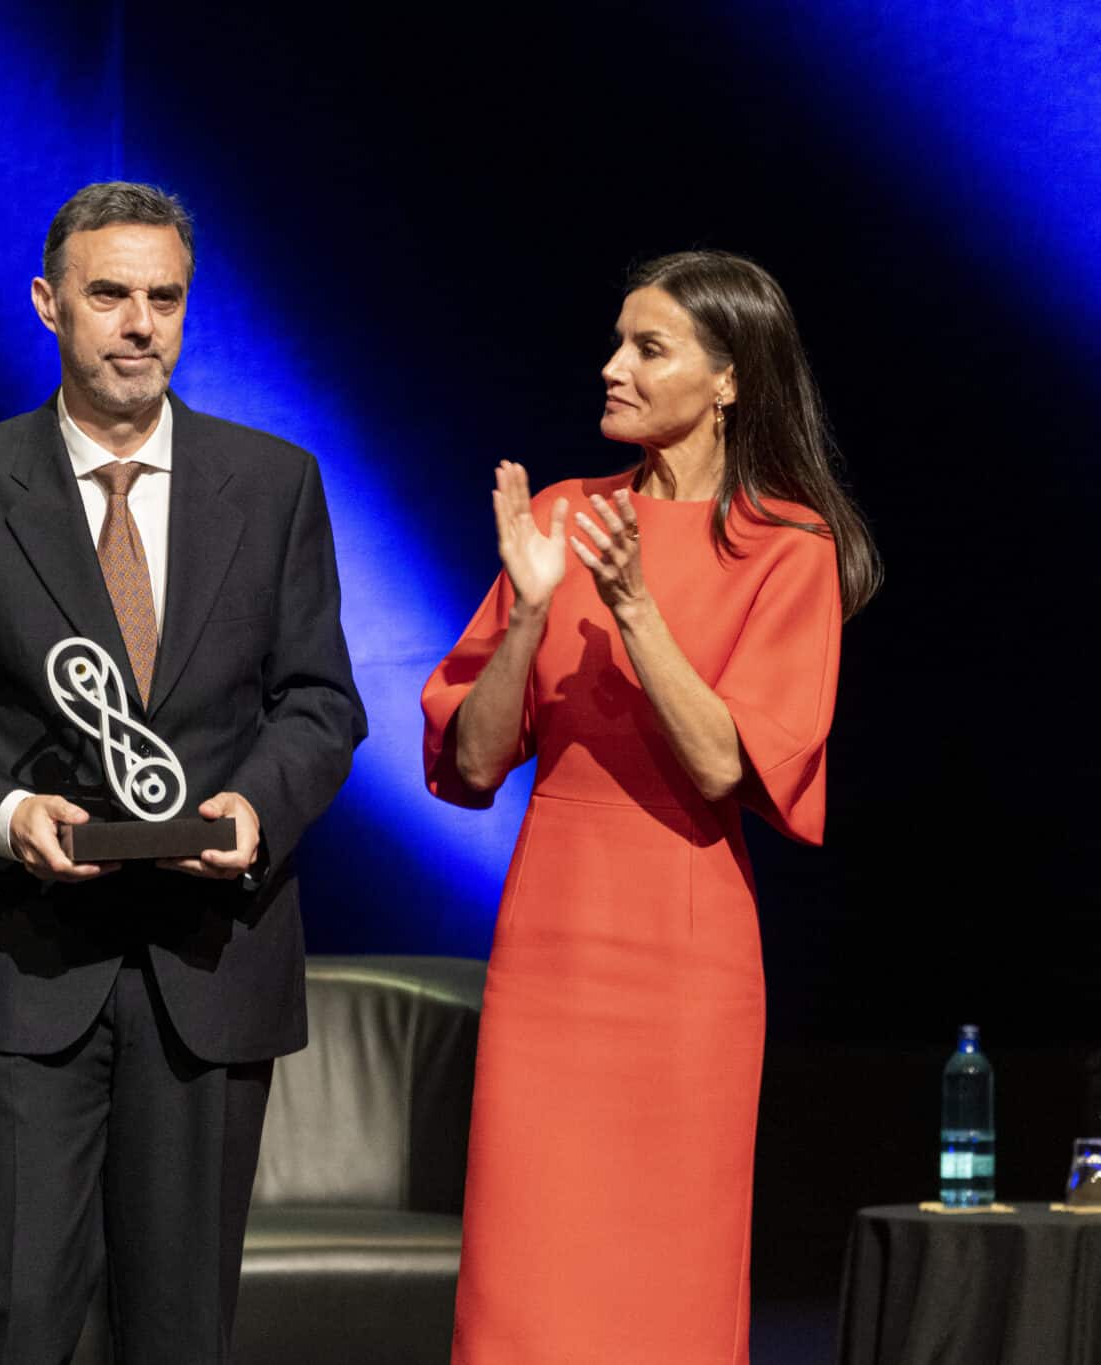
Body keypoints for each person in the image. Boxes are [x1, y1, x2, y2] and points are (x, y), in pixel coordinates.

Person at [0, 181, 366, 1365]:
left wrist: (252, 806)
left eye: (165, 298)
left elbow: (318, 700)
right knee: (16, 1319)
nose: (139, 323)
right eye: (109, 296)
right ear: (49, 304)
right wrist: (6, 813)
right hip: (24, 963)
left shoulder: (273, 481)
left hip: (208, 965)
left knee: (180, 1331)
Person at [421, 249, 880, 1362]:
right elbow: (472, 765)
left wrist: (632, 608)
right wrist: (527, 615)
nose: (611, 366)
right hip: (548, 945)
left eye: (647, 347)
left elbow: (725, 766)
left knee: (661, 1280)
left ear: (727, 379)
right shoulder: (564, 515)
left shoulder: (789, 546)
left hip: (682, 957)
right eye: (617, 341)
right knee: (523, 1275)